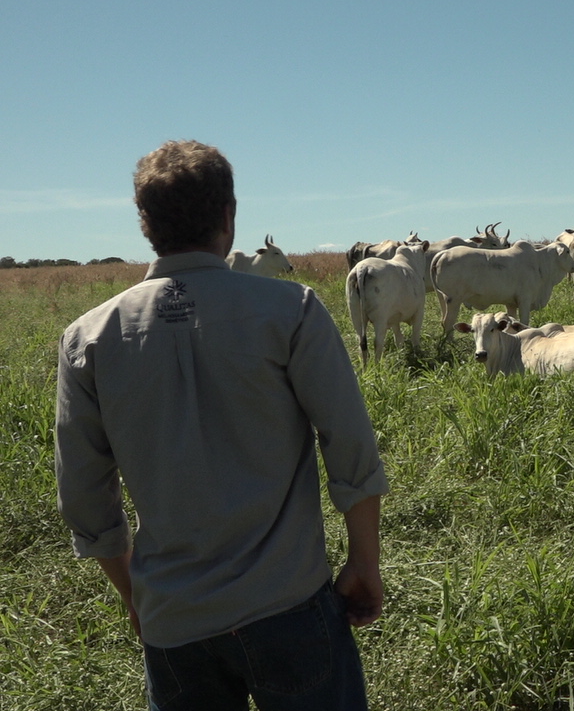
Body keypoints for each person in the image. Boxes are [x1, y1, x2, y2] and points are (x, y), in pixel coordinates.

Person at [55, 140, 388, 710]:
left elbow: (84, 499)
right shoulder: (294, 311)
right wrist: (363, 561)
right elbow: (350, 446)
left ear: (145, 223)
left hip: (174, 624)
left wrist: (136, 594)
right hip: (290, 605)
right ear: (229, 216)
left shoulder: (88, 338)